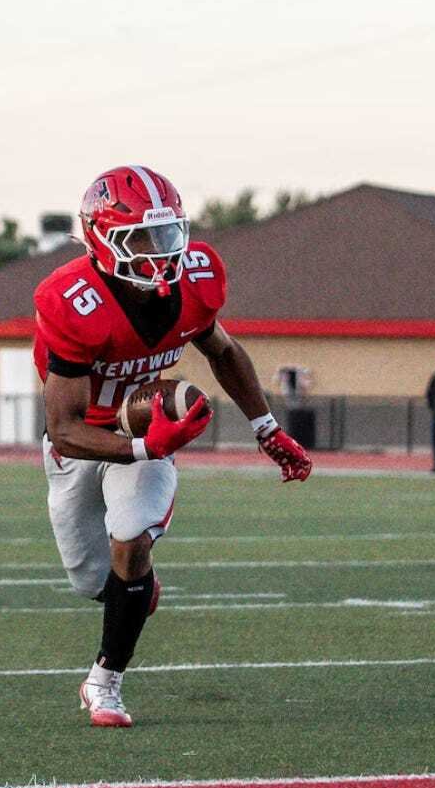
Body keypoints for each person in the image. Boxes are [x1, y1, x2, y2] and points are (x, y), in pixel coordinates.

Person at [34, 164, 312, 727]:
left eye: (166, 233)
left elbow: (223, 351)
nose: (159, 251)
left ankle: (104, 680)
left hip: (145, 430)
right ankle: (134, 587)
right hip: (83, 442)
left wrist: (266, 427)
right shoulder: (72, 301)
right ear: (100, 238)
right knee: (91, 580)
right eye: (140, 238)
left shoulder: (193, 283)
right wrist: (142, 447)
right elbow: (64, 429)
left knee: (132, 542)